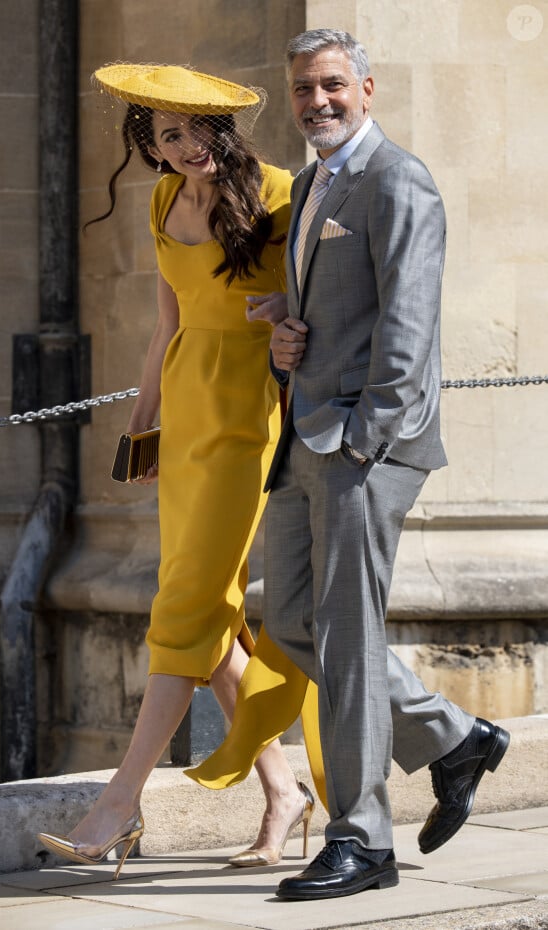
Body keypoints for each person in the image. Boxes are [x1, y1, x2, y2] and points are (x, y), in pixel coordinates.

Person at [190, 29, 510, 900]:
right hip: (307, 436)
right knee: (290, 619)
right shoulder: (319, 184)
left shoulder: (398, 179)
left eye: (332, 85)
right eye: (302, 90)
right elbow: (335, 305)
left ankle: (363, 839)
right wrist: (287, 329)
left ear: (367, 89)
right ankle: (452, 738)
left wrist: (366, 439)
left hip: (363, 445)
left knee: (343, 633)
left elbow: (408, 330)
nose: (316, 102)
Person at [37, 62, 319, 879]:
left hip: (248, 415)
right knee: (215, 617)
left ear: (222, 131)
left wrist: (286, 315)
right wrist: (141, 420)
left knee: (188, 600)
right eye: (169, 135)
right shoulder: (162, 201)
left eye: (199, 130)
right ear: (151, 148)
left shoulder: (280, 192)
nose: (188, 146)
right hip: (186, 414)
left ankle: (121, 800)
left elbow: (328, 300)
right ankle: (282, 789)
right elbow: (168, 324)